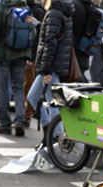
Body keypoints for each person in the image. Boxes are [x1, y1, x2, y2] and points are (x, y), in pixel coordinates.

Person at [0, 0, 36, 136]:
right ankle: (20, 120)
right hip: (21, 54)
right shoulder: (24, 7)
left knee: (1, 89)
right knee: (18, 88)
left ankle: (4, 124)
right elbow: (33, 32)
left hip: (2, 53)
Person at [26, 0, 74, 134]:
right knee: (33, 97)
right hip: (53, 64)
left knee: (52, 103)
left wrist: (46, 69)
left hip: (50, 65)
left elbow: (50, 42)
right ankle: (48, 130)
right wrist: (37, 23)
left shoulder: (54, 13)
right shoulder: (62, 12)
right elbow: (52, 33)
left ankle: (55, 137)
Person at [23, 0, 47, 127]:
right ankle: (28, 115)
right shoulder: (40, 11)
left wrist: (32, 57)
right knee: (29, 88)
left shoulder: (31, 11)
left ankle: (27, 116)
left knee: (29, 88)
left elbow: (41, 37)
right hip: (33, 55)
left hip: (31, 55)